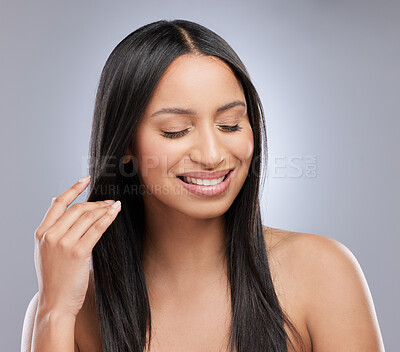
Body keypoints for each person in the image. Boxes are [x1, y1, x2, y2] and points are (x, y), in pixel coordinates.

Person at [21, 19, 384, 352]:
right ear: (125, 145)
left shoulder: (322, 272)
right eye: (176, 130)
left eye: (230, 124)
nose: (212, 155)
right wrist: (54, 312)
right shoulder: (70, 307)